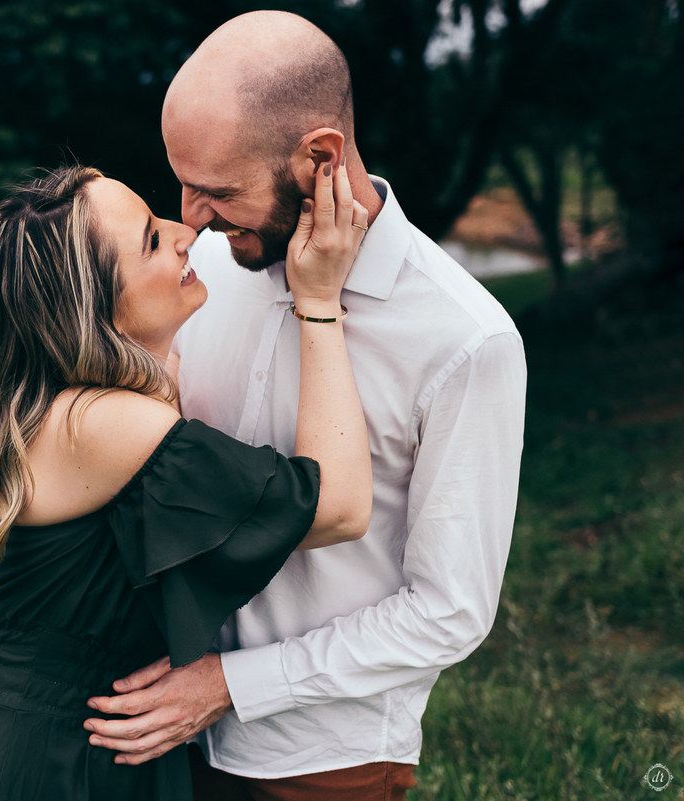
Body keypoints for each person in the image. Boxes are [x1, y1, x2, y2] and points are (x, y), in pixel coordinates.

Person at [83, 11, 527, 801]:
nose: (190, 219)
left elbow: (451, 611)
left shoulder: (466, 339)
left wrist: (229, 685)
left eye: (216, 190)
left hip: (319, 763)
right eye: (183, 183)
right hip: (157, 738)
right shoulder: (205, 270)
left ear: (320, 157)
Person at [0, 161, 373, 800]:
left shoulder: (61, 405)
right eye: (152, 239)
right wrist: (318, 302)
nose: (186, 232)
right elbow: (339, 508)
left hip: (43, 738)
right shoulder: (101, 422)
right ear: (92, 309)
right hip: (48, 761)